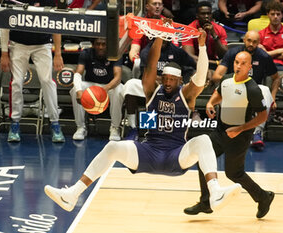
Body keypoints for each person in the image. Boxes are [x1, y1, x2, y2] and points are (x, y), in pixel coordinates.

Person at [44, 29, 242, 213]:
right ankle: (72, 194)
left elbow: (200, 76)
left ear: (180, 81)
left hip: (176, 155)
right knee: (113, 147)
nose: (167, 82)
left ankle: (215, 192)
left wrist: (201, 46)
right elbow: (151, 65)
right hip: (149, 151)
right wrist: (158, 37)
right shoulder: (152, 90)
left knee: (204, 141)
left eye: (172, 80)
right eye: (164, 78)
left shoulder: (187, 95)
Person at [184, 51, 274, 218]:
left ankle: (263, 197)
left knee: (234, 173)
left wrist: (239, 129)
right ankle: (205, 202)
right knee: (204, 160)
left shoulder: (252, 88)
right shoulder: (226, 79)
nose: (238, 66)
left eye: (242, 64)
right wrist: (211, 103)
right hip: (220, 130)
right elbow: (219, 93)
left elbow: (262, 116)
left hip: (240, 135)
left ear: (249, 67)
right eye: (236, 62)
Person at [0, 0, 65, 143]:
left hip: (42, 45)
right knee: (16, 82)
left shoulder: (48, 1)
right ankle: (15, 123)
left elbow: (56, 24)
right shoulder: (12, 1)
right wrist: (4, 53)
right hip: (18, 44)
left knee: (47, 81)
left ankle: (55, 123)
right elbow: (5, 25)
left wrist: (58, 53)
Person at [212, 30, 279, 151]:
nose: (251, 44)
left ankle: (258, 133)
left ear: (259, 43)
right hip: (234, 85)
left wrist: (273, 97)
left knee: (264, 89)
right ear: (244, 40)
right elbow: (216, 76)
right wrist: (231, 81)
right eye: (249, 40)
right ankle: (223, 130)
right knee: (223, 88)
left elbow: (276, 78)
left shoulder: (264, 56)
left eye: (254, 42)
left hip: (253, 91)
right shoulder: (233, 53)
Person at [70, 38, 124, 141]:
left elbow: (118, 78)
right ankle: (81, 127)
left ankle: (115, 127)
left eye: (104, 44)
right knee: (75, 90)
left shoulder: (115, 54)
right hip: (92, 85)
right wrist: (78, 91)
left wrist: (105, 89)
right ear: (93, 45)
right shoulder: (86, 53)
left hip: (109, 86)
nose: (101, 47)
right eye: (98, 44)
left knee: (119, 90)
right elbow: (78, 73)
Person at [183, 1, 228, 68]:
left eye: (208, 13)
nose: (206, 16)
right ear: (197, 15)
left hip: (215, 64)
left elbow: (225, 55)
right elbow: (189, 56)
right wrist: (215, 63)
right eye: (203, 14)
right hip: (195, 64)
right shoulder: (189, 30)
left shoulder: (219, 29)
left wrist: (214, 35)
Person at [258, 0, 283, 71]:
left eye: (278, 14)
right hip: (265, 65)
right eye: (272, 14)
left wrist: (267, 53)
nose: (275, 17)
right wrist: (280, 51)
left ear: (282, 15)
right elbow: (260, 56)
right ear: (268, 14)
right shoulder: (260, 34)